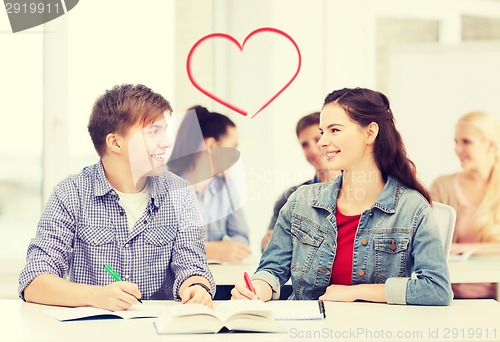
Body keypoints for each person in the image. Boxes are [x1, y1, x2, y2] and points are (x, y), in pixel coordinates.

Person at [231, 87, 452, 305]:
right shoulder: (301, 201)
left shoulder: (411, 208)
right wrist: (258, 288)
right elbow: (271, 270)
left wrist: (356, 292)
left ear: (370, 133)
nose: (322, 142)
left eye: (334, 130)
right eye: (322, 131)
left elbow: (436, 289)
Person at [18, 84, 215, 311]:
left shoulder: (180, 193)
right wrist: (95, 295)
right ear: (115, 143)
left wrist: (196, 287)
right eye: (153, 132)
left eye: (164, 130)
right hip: (92, 330)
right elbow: (34, 281)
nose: (166, 142)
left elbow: (192, 265)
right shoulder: (70, 193)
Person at [430, 111, 500, 299]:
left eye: (466, 142)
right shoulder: (442, 186)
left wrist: (472, 248)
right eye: (456, 142)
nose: (458, 149)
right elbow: (428, 242)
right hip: (452, 294)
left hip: (495, 295)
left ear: (490, 145)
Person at [168, 106, 251, 263]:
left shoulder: (227, 188)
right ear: (212, 146)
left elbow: (242, 237)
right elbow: (155, 246)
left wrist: (230, 247)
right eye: (233, 148)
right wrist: (209, 250)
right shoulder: (165, 185)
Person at [261, 112, 340, 251]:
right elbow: (269, 251)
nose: (313, 150)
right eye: (305, 145)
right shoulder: (290, 197)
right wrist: (268, 243)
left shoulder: (357, 191)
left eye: (317, 139)